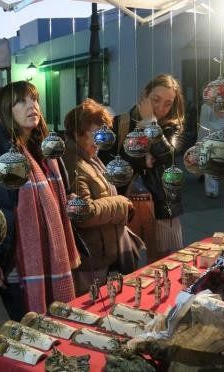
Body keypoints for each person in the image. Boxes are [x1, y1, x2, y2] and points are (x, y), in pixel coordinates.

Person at [0, 81, 81, 321]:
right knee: (31, 332)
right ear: (7, 109)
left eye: (34, 100)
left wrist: (68, 200)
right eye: (22, 101)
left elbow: (61, 193)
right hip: (15, 262)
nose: (32, 106)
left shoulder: (46, 149)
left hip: (54, 256)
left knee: (60, 327)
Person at [99, 74, 187, 262]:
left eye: (168, 103)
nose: (161, 108)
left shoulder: (173, 127)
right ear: (144, 95)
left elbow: (166, 153)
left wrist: (150, 123)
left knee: (165, 265)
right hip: (125, 205)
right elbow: (106, 164)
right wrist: (141, 159)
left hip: (163, 207)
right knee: (125, 265)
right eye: (156, 100)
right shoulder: (119, 123)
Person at [63, 99, 145, 293]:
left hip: (103, 254)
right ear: (78, 132)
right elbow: (84, 213)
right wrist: (120, 202)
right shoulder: (73, 162)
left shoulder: (90, 158)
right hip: (90, 261)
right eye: (97, 134)